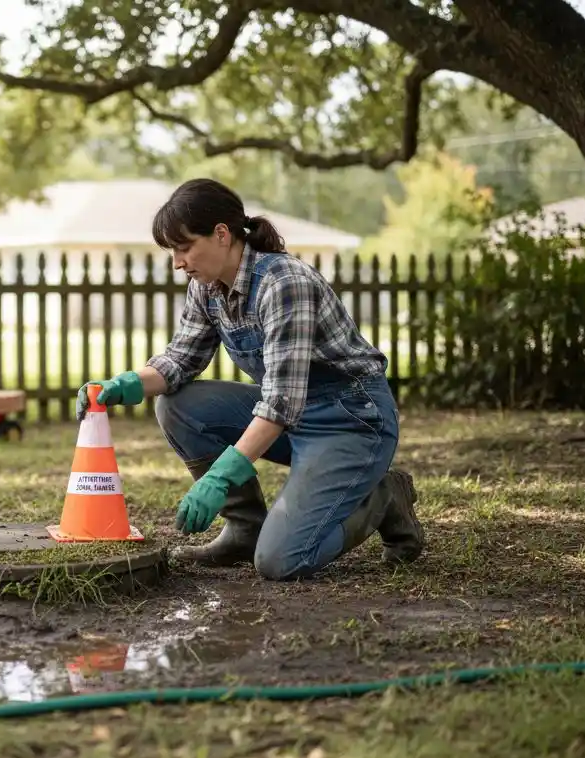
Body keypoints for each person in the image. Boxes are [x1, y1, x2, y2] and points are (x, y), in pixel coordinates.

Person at [75, 179, 423, 580]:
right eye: (172, 251)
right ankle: (245, 529)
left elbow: (280, 404)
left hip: (350, 420)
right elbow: (179, 361)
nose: (177, 263)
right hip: (294, 416)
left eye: (184, 247)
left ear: (222, 234)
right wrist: (123, 386)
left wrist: (221, 477)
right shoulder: (206, 288)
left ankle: (383, 497)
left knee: (281, 561)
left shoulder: (284, 284)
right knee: (178, 405)